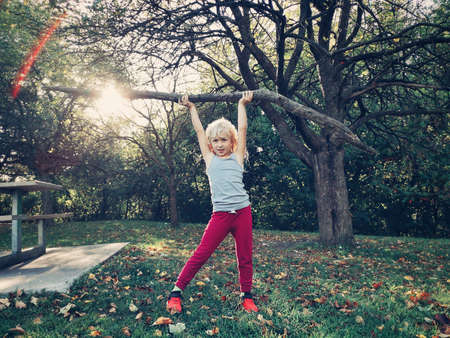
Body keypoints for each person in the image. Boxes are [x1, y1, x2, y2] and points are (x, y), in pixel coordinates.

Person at [166, 91, 258, 314]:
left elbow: (243, 129)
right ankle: (176, 292)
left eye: (223, 140)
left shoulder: (237, 157)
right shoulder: (209, 159)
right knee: (202, 253)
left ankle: (247, 296)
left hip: (243, 213)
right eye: (215, 140)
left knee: (245, 256)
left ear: (232, 142)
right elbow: (199, 131)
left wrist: (241, 104)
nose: (219, 144)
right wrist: (191, 108)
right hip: (221, 215)